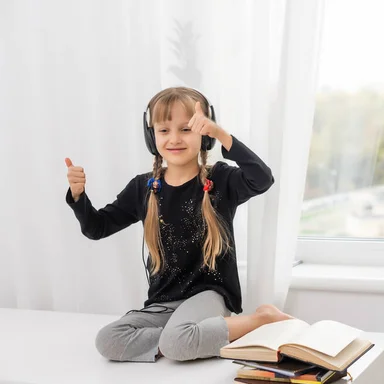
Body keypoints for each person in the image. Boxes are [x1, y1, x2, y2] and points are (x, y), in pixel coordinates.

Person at [65, 87, 291, 362]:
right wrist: (78, 196)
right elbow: (96, 227)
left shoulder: (220, 180)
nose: (174, 139)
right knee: (108, 340)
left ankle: (260, 320)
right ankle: (189, 336)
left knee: (177, 343)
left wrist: (220, 134)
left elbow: (262, 178)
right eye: (163, 131)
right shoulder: (143, 188)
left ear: (203, 134)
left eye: (186, 129)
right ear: (152, 137)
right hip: (164, 304)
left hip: (208, 295)